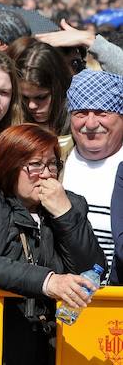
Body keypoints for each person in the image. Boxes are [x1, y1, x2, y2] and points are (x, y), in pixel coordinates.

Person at [0, 124, 105, 365]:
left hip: (59, 345)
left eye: (53, 164)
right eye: (35, 164)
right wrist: (48, 281)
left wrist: (64, 215)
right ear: (9, 165)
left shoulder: (71, 205)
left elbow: (93, 270)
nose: (46, 173)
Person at [63, 69, 123, 271]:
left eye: (101, 112)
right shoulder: (52, 158)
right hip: (59, 294)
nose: (90, 123)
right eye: (80, 113)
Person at [11, 40, 72, 138]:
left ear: (59, 88)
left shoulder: (79, 120)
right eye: (25, 98)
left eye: (41, 97)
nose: (31, 106)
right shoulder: (12, 122)